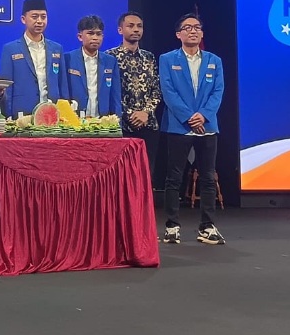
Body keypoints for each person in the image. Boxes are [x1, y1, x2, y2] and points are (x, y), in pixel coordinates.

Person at [158, 13, 225, 246]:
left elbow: (218, 92)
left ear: (202, 33)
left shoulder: (215, 60)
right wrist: (189, 117)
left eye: (197, 27)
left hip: (207, 126)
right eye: (187, 28)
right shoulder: (167, 59)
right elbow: (168, 92)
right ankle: (172, 226)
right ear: (178, 34)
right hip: (179, 125)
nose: (193, 31)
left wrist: (203, 115)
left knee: (208, 176)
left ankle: (207, 226)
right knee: (174, 177)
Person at [106, 12, 162, 189]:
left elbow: (156, 90)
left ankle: (143, 207)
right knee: (122, 177)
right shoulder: (109, 57)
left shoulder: (149, 57)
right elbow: (109, 93)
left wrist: (145, 112)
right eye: (131, 26)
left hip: (148, 124)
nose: (136, 29)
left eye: (139, 26)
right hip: (122, 125)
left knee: (146, 175)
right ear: (120, 30)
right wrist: (130, 114)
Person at [0, 0, 67, 117]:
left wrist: (65, 113)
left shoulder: (57, 48)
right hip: (22, 114)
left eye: (43, 17)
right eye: (34, 17)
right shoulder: (10, 49)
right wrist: (8, 116)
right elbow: (7, 88)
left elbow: (63, 85)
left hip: (52, 113)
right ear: (23, 19)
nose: (39, 21)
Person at [64, 15, 121, 118]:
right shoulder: (67, 59)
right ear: (80, 36)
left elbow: (115, 97)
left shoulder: (110, 61)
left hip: (102, 121)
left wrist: (117, 123)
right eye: (90, 33)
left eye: (98, 34)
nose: (95, 38)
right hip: (75, 119)